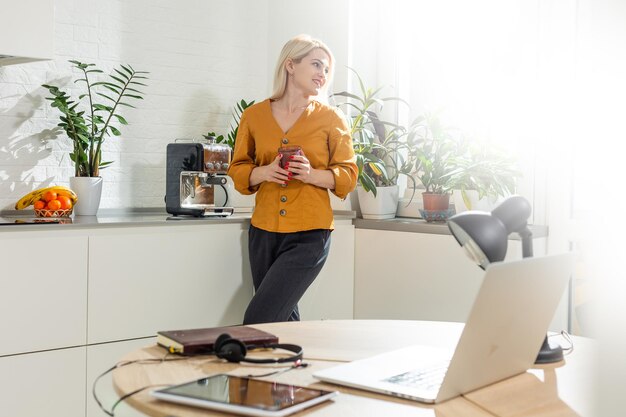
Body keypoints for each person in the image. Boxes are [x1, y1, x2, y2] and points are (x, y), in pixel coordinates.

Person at [228, 34, 358, 325]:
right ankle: (298, 369)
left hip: (310, 235)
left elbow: (348, 176)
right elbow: (237, 168)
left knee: (259, 318)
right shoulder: (254, 116)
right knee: (282, 323)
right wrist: (263, 172)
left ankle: (234, 371)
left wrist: (311, 174)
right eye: (316, 65)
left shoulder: (331, 119)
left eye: (326, 69)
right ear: (290, 65)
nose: (322, 75)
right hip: (263, 233)